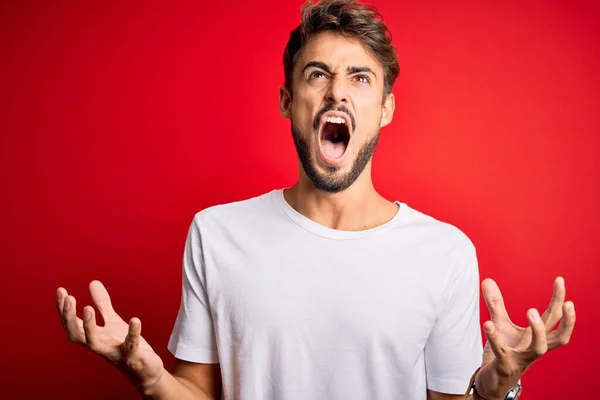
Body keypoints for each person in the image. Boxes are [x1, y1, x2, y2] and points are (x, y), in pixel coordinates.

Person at [55, 0, 576, 399]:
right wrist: (149, 376)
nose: (337, 93)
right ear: (288, 101)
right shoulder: (216, 234)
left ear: (386, 108)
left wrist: (494, 387)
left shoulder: (444, 253)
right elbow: (194, 391)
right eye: (317, 74)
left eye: (360, 77)